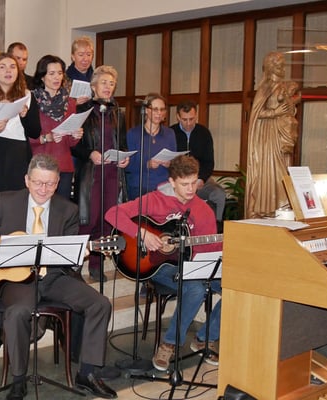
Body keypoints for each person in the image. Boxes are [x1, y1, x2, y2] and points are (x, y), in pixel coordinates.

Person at [0, 154, 117, 400]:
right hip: (17, 280)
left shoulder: (68, 210)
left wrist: (79, 253)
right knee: (17, 312)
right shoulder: (7, 202)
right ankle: (18, 380)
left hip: (53, 277)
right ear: (27, 180)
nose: (44, 189)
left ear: (58, 182)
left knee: (100, 303)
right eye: (38, 183)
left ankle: (87, 373)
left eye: (50, 184)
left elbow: (66, 260)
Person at [105, 155, 222, 371]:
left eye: (194, 183)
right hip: (157, 264)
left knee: (239, 288)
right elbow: (113, 213)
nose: (191, 189)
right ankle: (170, 343)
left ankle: (205, 337)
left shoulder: (203, 210)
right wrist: (141, 233)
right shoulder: (155, 200)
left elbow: (208, 249)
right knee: (196, 289)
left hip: (191, 264)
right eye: (184, 184)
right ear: (172, 182)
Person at [73, 65, 128, 282]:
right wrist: (90, 154)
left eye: (111, 83)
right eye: (104, 82)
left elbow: (122, 142)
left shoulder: (117, 113)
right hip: (91, 172)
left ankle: (97, 265)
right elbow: (73, 144)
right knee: (88, 219)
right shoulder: (82, 110)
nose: (108, 87)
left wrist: (124, 157)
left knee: (107, 220)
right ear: (94, 86)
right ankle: (76, 266)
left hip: (113, 173)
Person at [0, 52, 41, 205]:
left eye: (12, 67)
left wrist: (25, 116)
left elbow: (35, 132)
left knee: (15, 203)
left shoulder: (27, 96)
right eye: (2, 67)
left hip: (18, 154)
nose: (8, 71)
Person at [246, 51, 300, 217]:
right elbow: (256, 114)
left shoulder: (284, 87)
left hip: (282, 135)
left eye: (283, 65)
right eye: (278, 66)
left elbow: (289, 109)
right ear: (270, 67)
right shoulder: (266, 88)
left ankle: (281, 207)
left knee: (283, 169)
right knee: (271, 169)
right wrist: (275, 112)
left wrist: (291, 105)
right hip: (268, 136)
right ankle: (266, 208)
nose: (282, 68)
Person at [30, 55, 83, 200]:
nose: (56, 77)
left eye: (59, 73)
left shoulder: (70, 102)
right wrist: (46, 138)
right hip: (40, 165)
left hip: (64, 165)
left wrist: (75, 136)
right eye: (51, 73)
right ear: (42, 77)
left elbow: (70, 143)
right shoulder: (32, 100)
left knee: (61, 209)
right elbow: (24, 137)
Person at [170, 100, 226, 225]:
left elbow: (209, 162)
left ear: (196, 115)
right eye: (184, 119)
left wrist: (201, 179)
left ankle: (216, 226)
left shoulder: (204, 133)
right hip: (178, 181)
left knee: (219, 194)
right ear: (178, 117)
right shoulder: (170, 133)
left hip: (199, 179)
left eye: (191, 119)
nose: (188, 123)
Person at [125, 92, 176, 200]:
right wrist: (147, 164)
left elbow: (176, 162)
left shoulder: (170, 133)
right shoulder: (133, 134)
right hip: (139, 187)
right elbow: (128, 165)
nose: (159, 113)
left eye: (162, 109)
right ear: (146, 110)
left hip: (164, 186)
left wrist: (170, 163)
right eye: (155, 109)